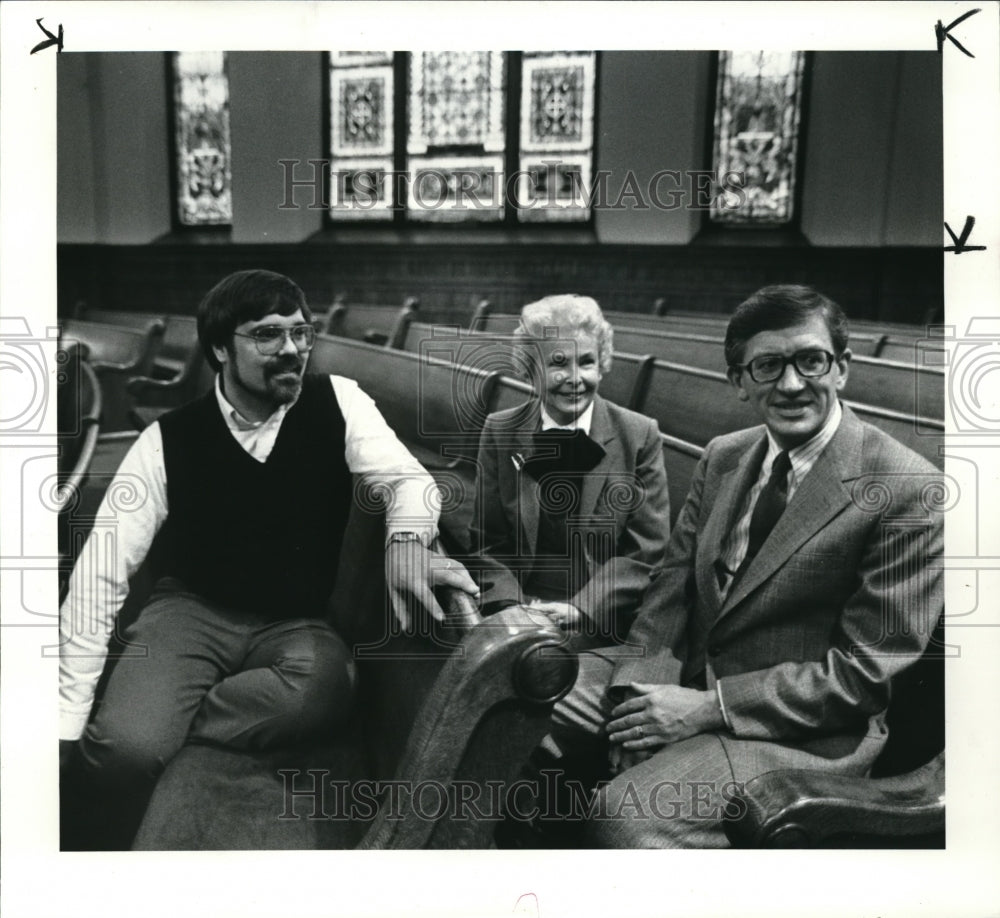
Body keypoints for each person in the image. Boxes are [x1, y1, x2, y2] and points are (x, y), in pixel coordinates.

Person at [58, 269, 478, 846]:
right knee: (125, 755)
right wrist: (67, 714)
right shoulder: (166, 440)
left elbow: (412, 481)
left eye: (301, 333)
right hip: (191, 613)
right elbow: (98, 576)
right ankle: (145, 724)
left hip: (294, 624)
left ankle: (166, 715)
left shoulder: (340, 403)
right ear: (219, 349)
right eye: (267, 335)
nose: (292, 350)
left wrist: (405, 541)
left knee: (323, 691)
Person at [546, 284, 944, 847]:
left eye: (811, 361)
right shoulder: (725, 455)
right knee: (521, 686)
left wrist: (709, 709)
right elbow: (671, 589)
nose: (791, 384)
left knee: (628, 813)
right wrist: (640, 695)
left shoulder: (907, 489)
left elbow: (863, 676)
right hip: (683, 675)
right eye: (767, 366)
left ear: (842, 368)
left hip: (802, 733)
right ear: (739, 381)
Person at [470, 294, 670, 645]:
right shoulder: (500, 430)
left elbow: (646, 551)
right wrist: (512, 607)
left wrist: (582, 609)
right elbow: (488, 542)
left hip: (602, 613)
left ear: (603, 363)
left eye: (587, 362)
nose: (575, 378)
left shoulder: (638, 435)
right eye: (558, 363)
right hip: (519, 606)